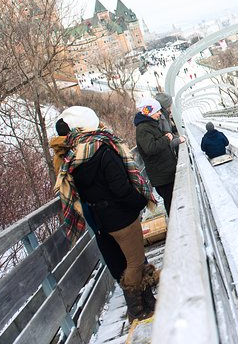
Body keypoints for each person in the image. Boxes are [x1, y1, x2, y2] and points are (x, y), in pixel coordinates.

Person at [54, 106, 157, 323]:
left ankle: (148, 301)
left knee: (125, 263)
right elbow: (120, 188)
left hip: (100, 221)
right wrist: (139, 201)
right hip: (121, 218)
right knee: (136, 262)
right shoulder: (102, 149)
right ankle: (136, 309)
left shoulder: (71, 157)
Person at [50, 118, 127, 283]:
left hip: (88, 206)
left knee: (106, 241)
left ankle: (125, 283)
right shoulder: (84, 146)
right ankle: (136, 283)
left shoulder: (60, 153)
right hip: (100, 203)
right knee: (124, 241)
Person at [134, 97, 184, 216]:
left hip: (165, 172)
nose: (159, 113)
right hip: (162, 176)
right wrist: (166, 138)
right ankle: (176, 224)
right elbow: (150, 148)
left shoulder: (150, 125)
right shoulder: (143, 129)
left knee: (173, 201)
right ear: (149, 112)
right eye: (157, 111)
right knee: (171, 204)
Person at [154, 92, 181, 157]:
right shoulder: (160, 118)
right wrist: (178, 140)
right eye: (170, 104)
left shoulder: (165, 116)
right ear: (166, 105)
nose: (171, 106)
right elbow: (162, 141)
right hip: (164, 158)